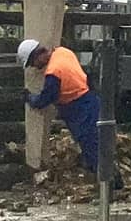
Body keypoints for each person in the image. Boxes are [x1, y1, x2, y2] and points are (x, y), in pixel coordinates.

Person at [17, 38, 122, 187]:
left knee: (92, 148)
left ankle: (110, 186)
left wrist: (29, 97)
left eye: (33, 63)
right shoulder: (63, 52)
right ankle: (111, 183)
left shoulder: (53, 72)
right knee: (97, 146)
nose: (35, 67)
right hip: (90, 100)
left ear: (37, 55)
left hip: (79, 109)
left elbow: (44, 100)